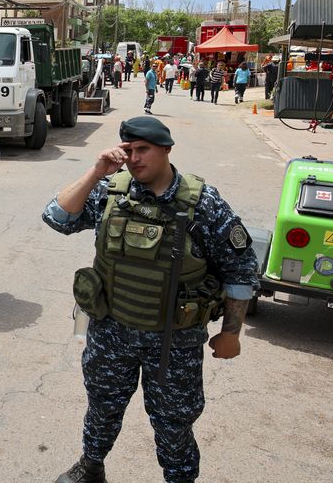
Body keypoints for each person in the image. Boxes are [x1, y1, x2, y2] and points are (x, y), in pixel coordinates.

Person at [43, 116, 259, 483]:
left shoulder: (202, 204)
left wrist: (231, 333)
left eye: (143, 150)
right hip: (111, 331)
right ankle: (91, 466)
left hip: (174, 340)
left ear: (166, 150)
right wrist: (96, 171)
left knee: (174, 423)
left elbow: (241, 269)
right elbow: (57, 217)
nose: (134, 158)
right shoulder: (112, 191)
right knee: (102, 406)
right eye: (128, 150)